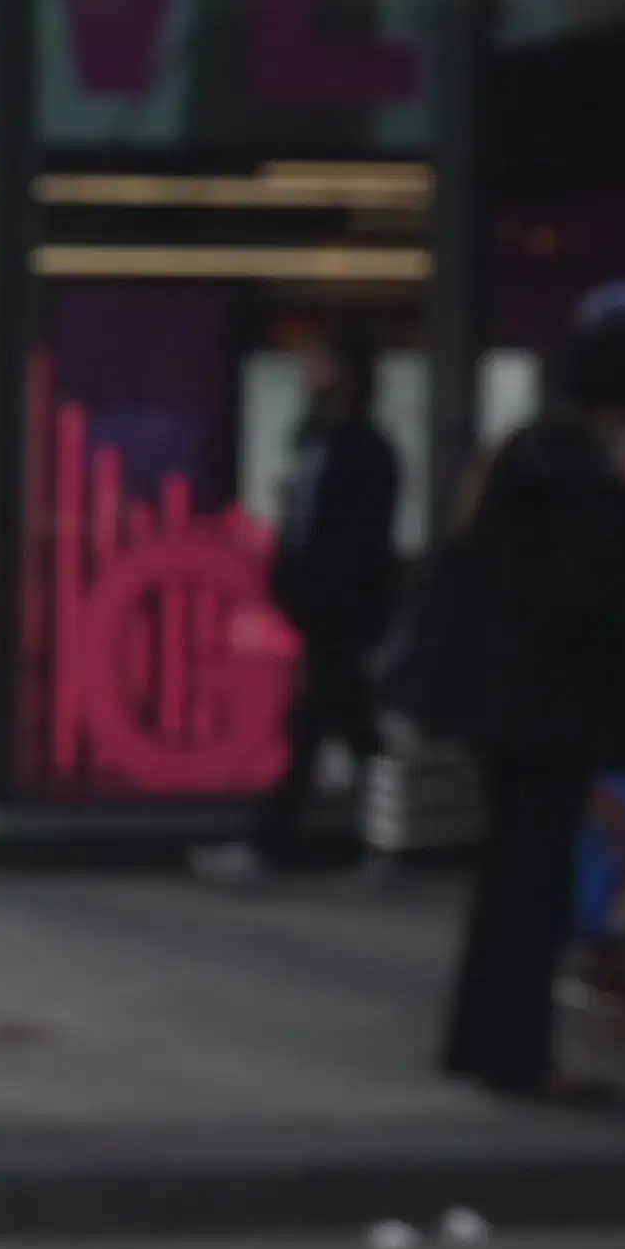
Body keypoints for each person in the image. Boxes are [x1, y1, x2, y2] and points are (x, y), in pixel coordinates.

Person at [415, 309, 625, 1101]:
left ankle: (483, 1039)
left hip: (505, 704)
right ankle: (518, 1054)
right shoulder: (582, 487)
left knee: (508, 876)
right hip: (551, 709)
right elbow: (587, 600)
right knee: (536, 880)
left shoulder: (520, 463)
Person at [199, 324, 406, 885]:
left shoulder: (365, 450)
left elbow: (358, 540)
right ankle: (384, 842)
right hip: (317, 607)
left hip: (343, 609)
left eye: (319, 362)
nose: (308, 374)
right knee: (342, 726)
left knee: (323, 724)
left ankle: (282, 844)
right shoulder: (317, 440)